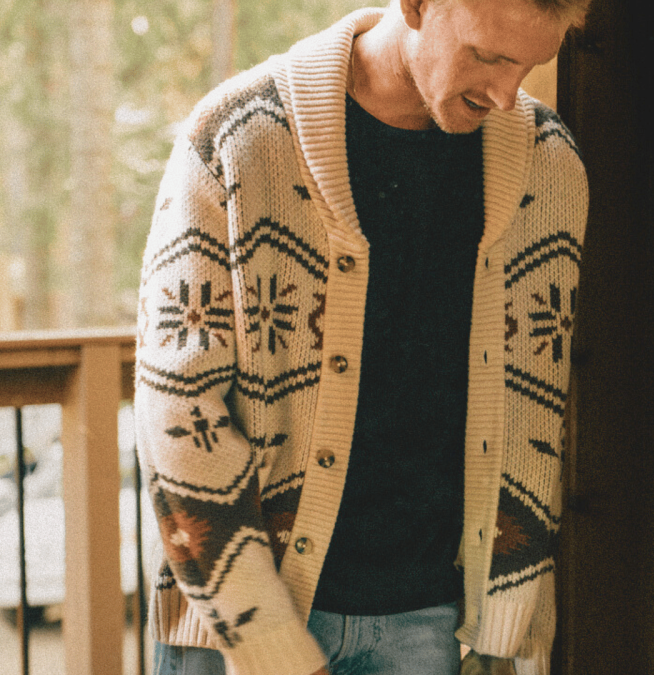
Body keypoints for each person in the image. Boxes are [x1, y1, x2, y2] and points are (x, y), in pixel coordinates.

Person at [134, 1, 590, 673]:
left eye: (527, 66)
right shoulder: (238, 136)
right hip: (235, 625)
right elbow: (176, 409)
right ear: (417, 5)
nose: (504, 94)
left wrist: (505, 632)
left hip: (429, 623)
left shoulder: (548, 166)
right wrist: (272, 646)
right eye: (487, 56)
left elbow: (534, 410)